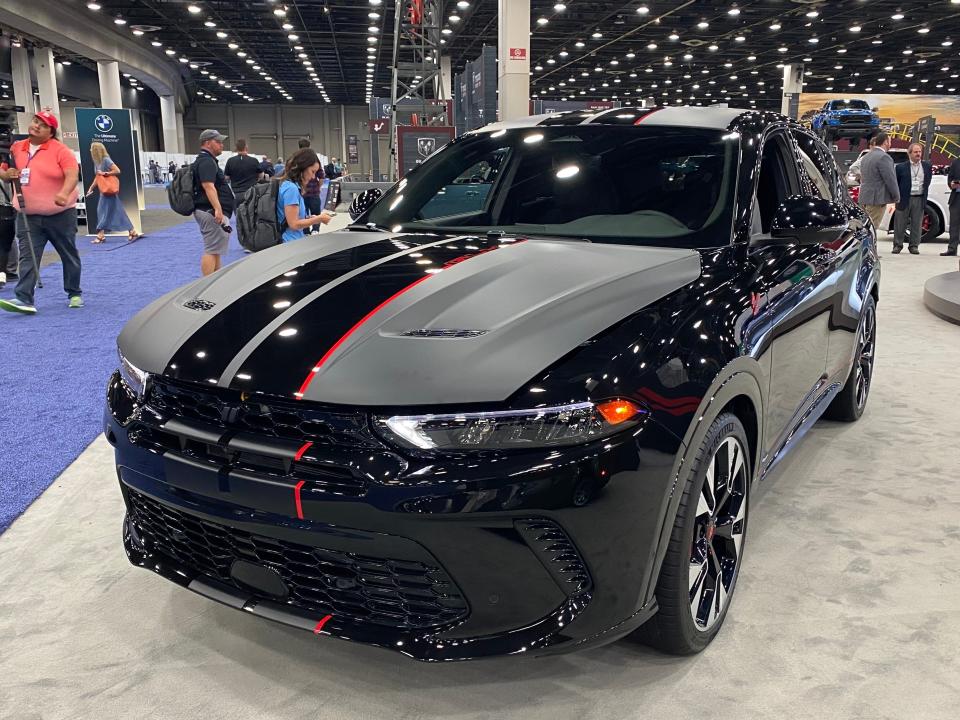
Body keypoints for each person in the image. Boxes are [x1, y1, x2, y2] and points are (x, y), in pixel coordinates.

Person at [0, 111, 82, 314]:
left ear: (51, 132)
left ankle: (74, 293)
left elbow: (72, 175)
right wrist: (6, 174)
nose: (36, 126)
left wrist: (63, 193)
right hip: (27, 215)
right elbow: (3, 169)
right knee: (28, 256)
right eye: (35, 122)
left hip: (61, 214)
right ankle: (24, 298)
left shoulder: (61, 151)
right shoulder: (16, 148)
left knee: (68, 254)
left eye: (43, 125)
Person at [192, 129, 235, 277]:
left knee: (215, 249)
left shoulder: (206, 160)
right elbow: (208, 186)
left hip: (209, 211)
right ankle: (206, 285)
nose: (221, 145)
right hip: (210, 211)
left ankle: (214, 282)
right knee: (211, 250)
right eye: (218, 142)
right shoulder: (206, 162)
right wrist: (218, 209)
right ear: (207, 143)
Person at [85, 141, 141, 244]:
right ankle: (131, 231)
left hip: (109, 192)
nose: (90, 150)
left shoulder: (106, 160)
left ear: (96, 151)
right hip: (104, 192)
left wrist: (105, 173)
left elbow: (117, 170)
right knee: (113, 212)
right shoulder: (97, 163)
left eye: (91, 149)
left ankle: (101, 235)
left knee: (105, 212)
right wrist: (91, 188)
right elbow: (98, 177)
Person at [276, 148, 333, 243]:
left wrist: (309, 218)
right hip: (289, 243)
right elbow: (293, 224)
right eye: (312, 171)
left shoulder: (289, 185)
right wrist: (319, 218)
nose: (313, 177)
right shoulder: (291, 189)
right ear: (303, 168)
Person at [857, 131, 899, 239]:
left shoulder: (866, 157)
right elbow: (890, 179)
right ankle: (867, 253)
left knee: (865, 227)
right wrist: (896, 196)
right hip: (877, 199)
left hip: (864, 197)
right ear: (885, 142)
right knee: (871, 229)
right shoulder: (884, 157)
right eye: (889, 141)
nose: (890, 144)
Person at [892, 143, 932, 255]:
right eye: (915, 152)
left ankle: (914, 246)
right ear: (909, 154)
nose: (918, 154)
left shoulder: (927, 166)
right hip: (904, 198)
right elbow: (896, 183)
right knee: (900, 223)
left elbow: (927, 181)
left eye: (919, 151)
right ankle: (897, 245)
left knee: (917, 223)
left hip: (919, 198)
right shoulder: (900, 167)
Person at [296, 138, 326, 233]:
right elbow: (321, 176)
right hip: (314, 192)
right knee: (316, 213)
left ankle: (306, 232)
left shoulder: (295, 159)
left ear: (299, 146)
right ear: (309, 146)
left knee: (302, 214)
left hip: (300, 192)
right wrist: (318, 187)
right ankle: (315, 230)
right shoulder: (314, 159)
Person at [944, 155, 960, 257]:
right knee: (954, 225)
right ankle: (952, 249)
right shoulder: (955, 162)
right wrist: (951, 184)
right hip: (956, 197)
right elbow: (950, 178)